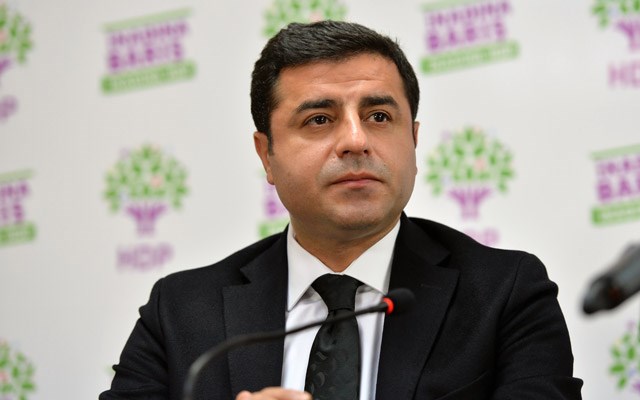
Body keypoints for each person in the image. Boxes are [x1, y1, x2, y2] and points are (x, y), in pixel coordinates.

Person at [101, 20, 583, 400]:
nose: (355, 140)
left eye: (379, 116)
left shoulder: (504, 293)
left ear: (413, 141)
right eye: (319, 119)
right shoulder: (182, 312)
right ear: (266, 155)